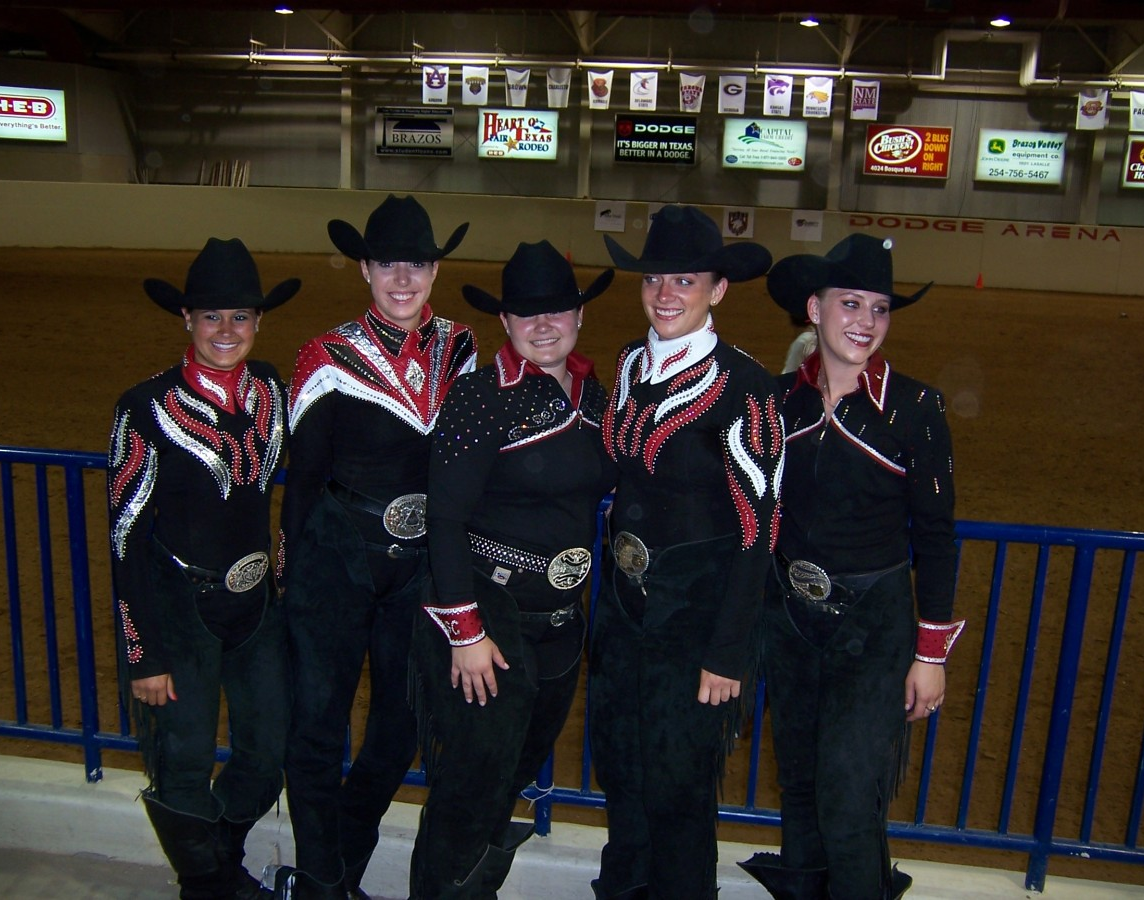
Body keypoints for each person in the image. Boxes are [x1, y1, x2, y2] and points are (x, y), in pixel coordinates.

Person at [737, 234, 965, 900]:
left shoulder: (916, 410)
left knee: (845, 794)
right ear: (815, 308)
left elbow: (938, 534)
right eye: (851, 303)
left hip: (876, 628)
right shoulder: (779, 403)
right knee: (802, 785)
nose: (866, 321)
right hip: (793, 623)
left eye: (880, 309)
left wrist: (931, 654)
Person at [275, 196, 477, 900]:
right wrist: (289, 575)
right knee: (317, 724)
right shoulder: (325, 356)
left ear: (435, 269)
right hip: (336, 556)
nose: (402, 278)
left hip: (419, 566)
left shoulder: (463, 348)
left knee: (398, 732)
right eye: (387, 264)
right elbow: (300, 482)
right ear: (364, 269)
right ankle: (321, 881)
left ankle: (338, 866)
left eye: (416, 264)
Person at [409, 240, 616, 899]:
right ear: (505, 322)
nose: (544, 323)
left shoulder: (594, 393)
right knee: (473, 777)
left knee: (513, 769)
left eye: (557, 309)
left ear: (579, 316)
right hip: (492, 620)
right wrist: (466, 632)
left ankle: (476, 888)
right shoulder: (479, 397)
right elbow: (444, 519)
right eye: (527, 314)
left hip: (560, 623)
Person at [590, 205, 783, 900]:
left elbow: (760, 527)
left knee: (679, 786)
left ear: (717, 290)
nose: (666, 293)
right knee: (621, 766)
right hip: (624, 613)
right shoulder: (627, 363)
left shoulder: (746, 387)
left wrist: (728, 649)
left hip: (696, 621)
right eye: (655, 279)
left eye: (686, 280)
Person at [107, 237, 300, 900]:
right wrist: (142, 654)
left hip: (256, 609)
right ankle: (210, 885)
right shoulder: (144, 407)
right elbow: (126, 536)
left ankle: (216, 859)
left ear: (258, 322)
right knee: (183, 758)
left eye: (240, 316)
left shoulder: (273, 390)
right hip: (179, 610)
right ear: (185, 319)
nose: (226, 330)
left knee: (268, 748)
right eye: (211, 316)